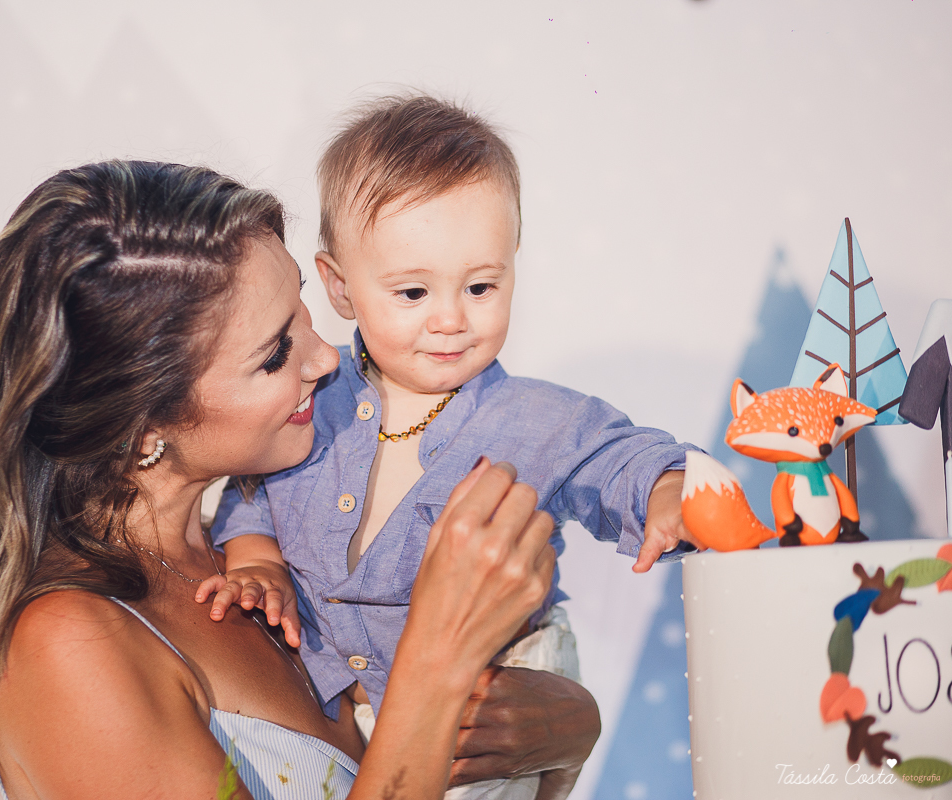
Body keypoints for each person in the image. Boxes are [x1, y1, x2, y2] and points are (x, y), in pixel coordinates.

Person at [0, 159, 600, 800]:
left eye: (304, 313)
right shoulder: (70, 647)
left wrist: (565, 738)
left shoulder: (272, 555)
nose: (326, 361)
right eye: (275, 353)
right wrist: (437, 659)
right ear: (142, 424)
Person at [207, 96, 703, 799]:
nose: (450, 319)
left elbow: (614, 456)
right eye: (413, 292)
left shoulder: (533, 418)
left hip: (498, 698)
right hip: (354, 714)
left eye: (480, 286)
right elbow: (255, 491)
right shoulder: (310, 396)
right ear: (341, 287)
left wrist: (666, 489)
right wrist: (256, 561)